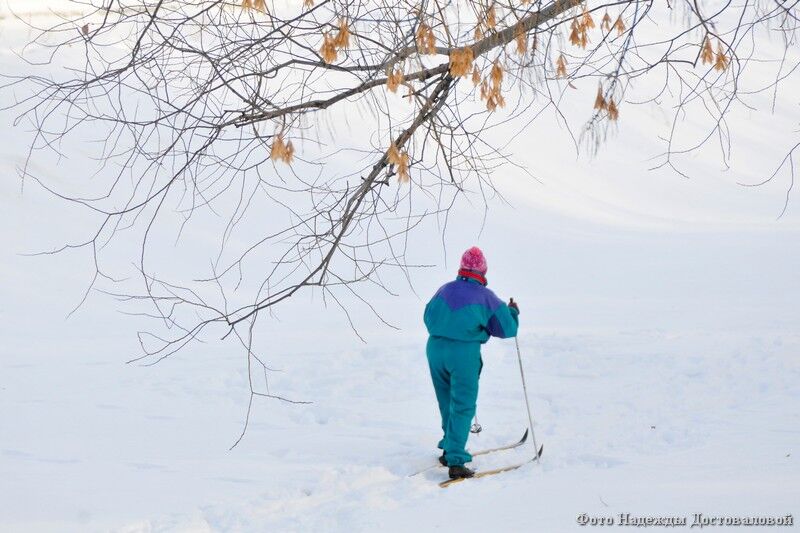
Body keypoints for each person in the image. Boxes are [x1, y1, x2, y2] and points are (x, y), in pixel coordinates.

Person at [423, 246, 520, 479]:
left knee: (446, 401)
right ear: (483, 271)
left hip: (435, 349)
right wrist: (513, 312)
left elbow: (427, 316)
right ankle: (456, 461)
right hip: (463, 353)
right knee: (463, 404)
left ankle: (449, 447)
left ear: (461, 268)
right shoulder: (486, 297)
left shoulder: (444, 290)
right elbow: (507, 329)